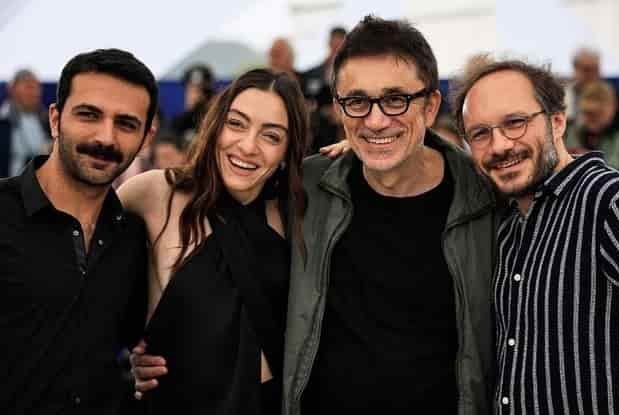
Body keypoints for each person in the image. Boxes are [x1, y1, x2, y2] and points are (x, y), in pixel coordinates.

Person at [132, 16, 497, 414]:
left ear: (430, 107)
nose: (375, 119)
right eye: (357, 101)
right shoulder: (310, 187)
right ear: (339, 108)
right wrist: (134, 355)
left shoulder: (487, 198)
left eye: (395, 99)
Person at [451, 58, 619, 414]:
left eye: (515, 123)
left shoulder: (610, 201)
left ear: (557, 121)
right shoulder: (508, 224)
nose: (499, 146)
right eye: (480, 133)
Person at [118, 68, 309, 414]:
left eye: (271, 136)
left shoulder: (297, 215)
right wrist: (125, 357)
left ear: (287, 150)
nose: (248, 146)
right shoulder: (153, 194)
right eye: (236, 124)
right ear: (215, 124)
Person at [0, 48, 157, 414]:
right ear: (55, 119)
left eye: (126, 124)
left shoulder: (133, 236)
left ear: (146, 137)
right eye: (89, 115)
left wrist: (143, 361)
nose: (105, 137)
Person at [566, 80, 619, 177]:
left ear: (613, 108)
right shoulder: (574, 130)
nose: (592, 119)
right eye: (587, 113)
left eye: (598, 114)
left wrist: (594, 161)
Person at [0, 69, 50, 177]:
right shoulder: (3, 120)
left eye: (37, 87)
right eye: (29, 87)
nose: (35, 92)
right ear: (12, 89)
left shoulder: (48, 121)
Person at [171, 64, 216, 142]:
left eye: (199, 91)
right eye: (190, 90)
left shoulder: (217, 120)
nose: (194, 96)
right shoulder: (179, 123)